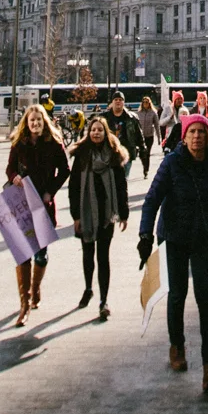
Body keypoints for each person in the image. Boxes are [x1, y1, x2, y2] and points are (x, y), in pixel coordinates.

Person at [138, 114, 208, 393]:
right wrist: (145, 234)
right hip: (174, 237)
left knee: (207, 299)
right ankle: (176, 345)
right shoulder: (172, 162)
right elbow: (152, 199)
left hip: (203, 239)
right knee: (177, 294)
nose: (197, 137)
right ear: (184, 136)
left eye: (202, 131)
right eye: (192, 132)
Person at [5, 104, 70, 325]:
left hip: (42, 202)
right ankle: (24, 303)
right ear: (27, 122)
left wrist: (50, 191)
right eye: (32, 120)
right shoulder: (19, 143)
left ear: (44, 122)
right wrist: (14, 177)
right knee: (23, 253)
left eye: (39, 121)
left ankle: (35, 287)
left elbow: (65, 170)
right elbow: (10, 168)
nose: (35, 124)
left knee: (40, 254)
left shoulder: (53, 144)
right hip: (21, 202)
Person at [67, 115, 129, 319]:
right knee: (87, 254)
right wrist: (75, 215)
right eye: (93, 129)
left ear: (106, 133)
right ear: (88, 132)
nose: (96, 132)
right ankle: (88, 288)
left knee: (103, 256)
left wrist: (124, 213)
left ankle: (104, 299)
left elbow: (121, 186)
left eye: (99, 130)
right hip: (85, 212)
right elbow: (74, 187)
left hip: (107, 213)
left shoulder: (113, 156)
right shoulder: (82, 155)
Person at [102, 90, 143, 175]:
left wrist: (142, 148)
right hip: (109, 153)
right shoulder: (104, 117)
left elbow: (139, 134)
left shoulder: (132, 117)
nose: (118, 101)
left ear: (123, 102)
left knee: (124, 179)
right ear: (112, 102)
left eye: (120, 99)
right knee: (111, 178)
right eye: (116, 99)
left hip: (127, 152)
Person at [136, 95, 161, 179]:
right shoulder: (139, 113)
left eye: (147, 102)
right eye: (144, 102)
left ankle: (146, 170)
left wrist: (159, 138)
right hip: (140, 136)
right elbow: (136, 126)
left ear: (149, 103)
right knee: (141, 154)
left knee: (147, 153)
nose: (145, 104)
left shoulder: (153, 113)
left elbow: (157, 125)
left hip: (149, 136)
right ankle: (144, 165)